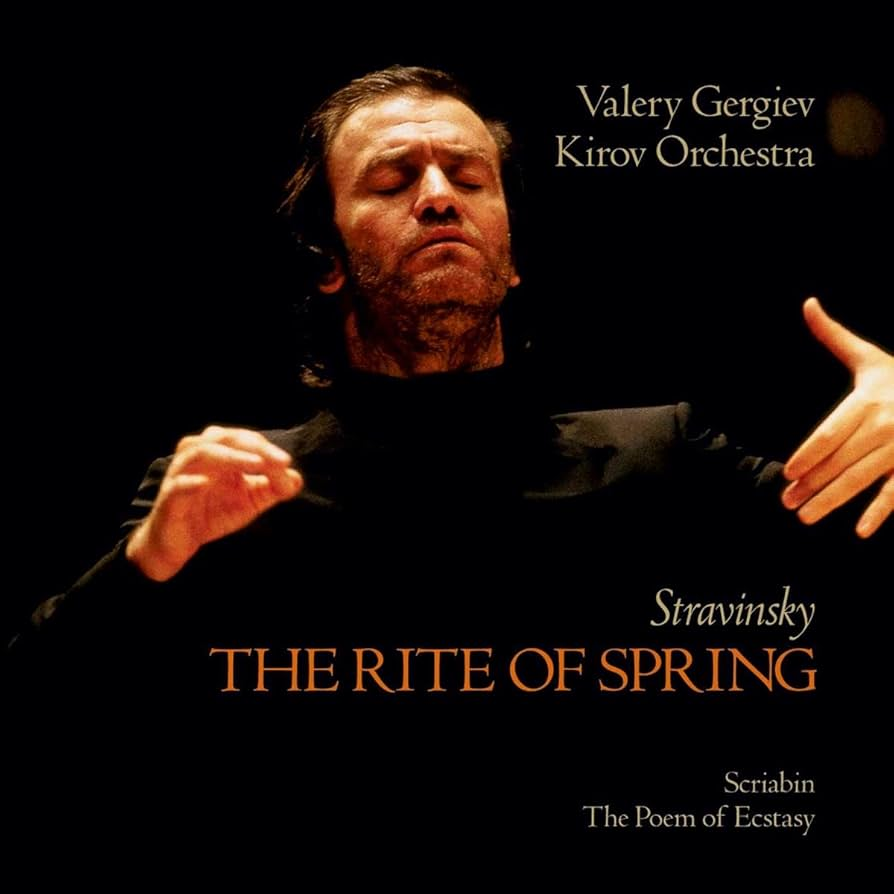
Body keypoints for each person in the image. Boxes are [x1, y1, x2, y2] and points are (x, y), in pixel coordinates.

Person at [7, 65, 892, 872]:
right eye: (394, 180)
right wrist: (148, 565)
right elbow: (34, 723)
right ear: (326, 260)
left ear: (511, 258)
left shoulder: (662, 454)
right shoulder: (232, 491)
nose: (439, 197)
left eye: (469, 179)